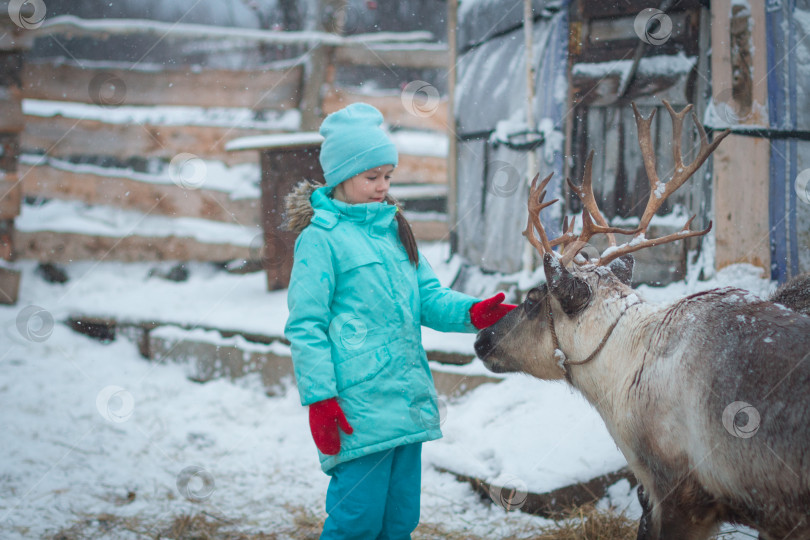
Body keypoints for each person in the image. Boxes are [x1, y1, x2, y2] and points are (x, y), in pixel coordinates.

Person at [283, 102, 515, 539]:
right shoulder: (321, 240)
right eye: (372, 177)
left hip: (405, 401)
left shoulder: (393, 229)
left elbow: (426, 297)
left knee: (399, 521)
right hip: (357, 408)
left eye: (387, 176)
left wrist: (472, 313)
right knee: (356, 522)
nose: (382, 186)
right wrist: (320, 398)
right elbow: (305, 326)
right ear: (340, 177)